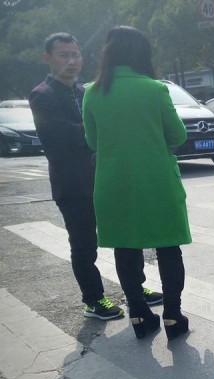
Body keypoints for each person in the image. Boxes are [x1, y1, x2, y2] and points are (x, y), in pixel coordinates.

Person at [29, 32, 162, 321]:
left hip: (107, 178)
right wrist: (107, 130)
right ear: (47, 58)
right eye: (63, 55)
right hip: (74, 185)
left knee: (127, 235)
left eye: (75, 54)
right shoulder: (43, 95)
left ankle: (134, 289)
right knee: (84, 243)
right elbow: (63, 135)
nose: (72, 61)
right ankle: (93, 299)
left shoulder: (86, 92)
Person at [82, 26, 190, 340]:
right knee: (169, 248)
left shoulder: (92, 91)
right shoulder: (154, 89)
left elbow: (92, 141)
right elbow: (178, 135)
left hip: (113, 183)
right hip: (156, 181)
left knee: (126, 249)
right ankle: (172, 315)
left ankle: (139, 315)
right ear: (142, 54)